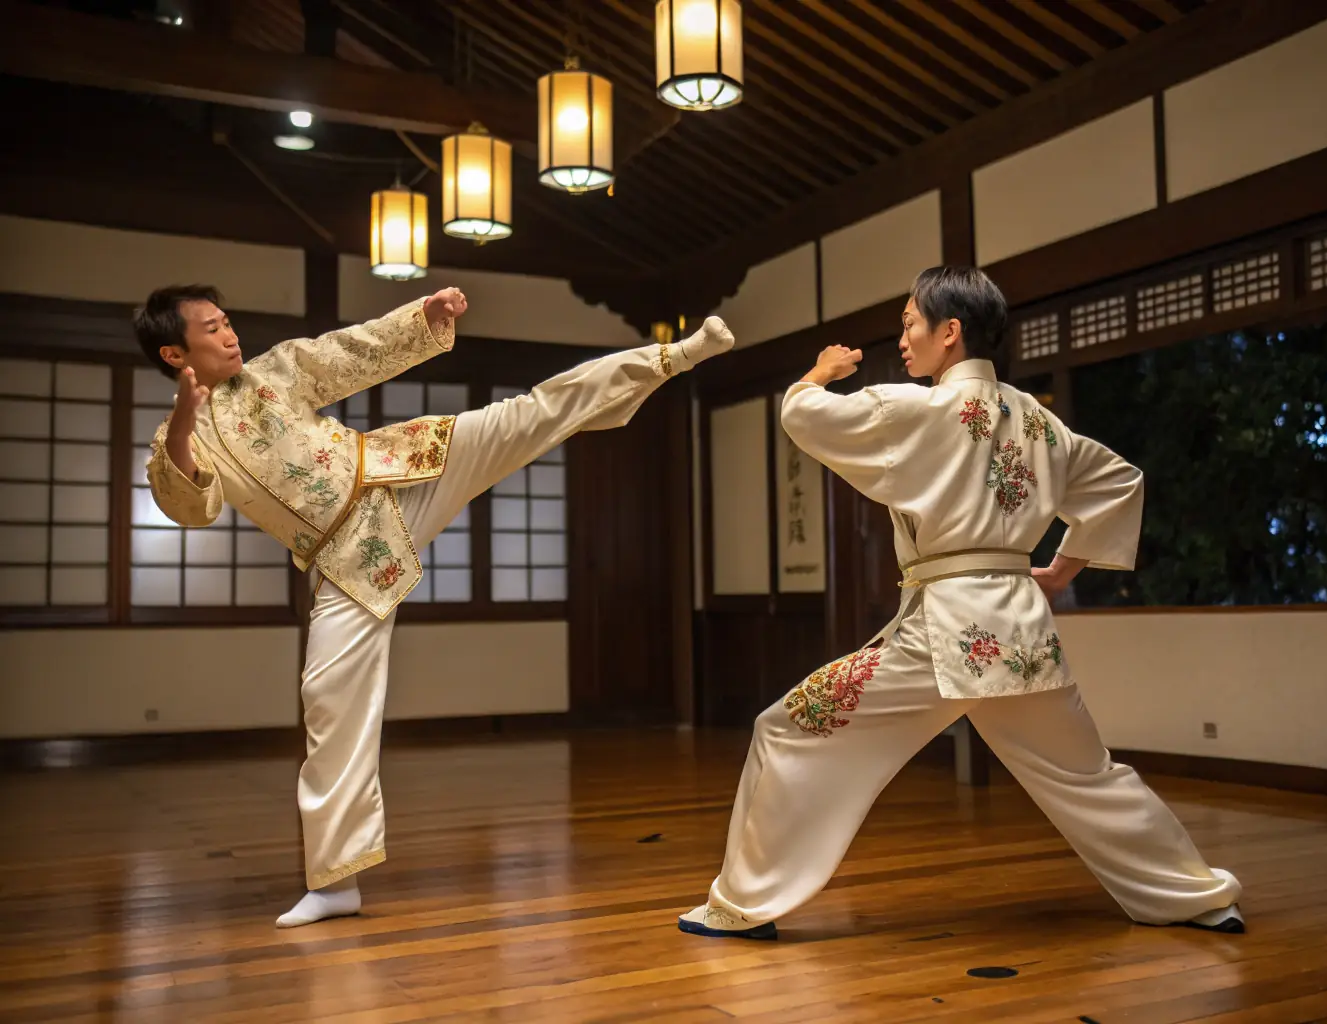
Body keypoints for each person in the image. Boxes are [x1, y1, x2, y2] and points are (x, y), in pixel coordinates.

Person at [134, 284, 734, 927]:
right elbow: (189, 506)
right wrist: (186, 427)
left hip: (398, 470)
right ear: (176, 351)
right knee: (328, 701)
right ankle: (337, 882)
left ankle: (671, 357)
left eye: (228, 322)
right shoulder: (178, 437)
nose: (230, 335)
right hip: (348, 557)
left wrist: (423, 317)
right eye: (212, 328)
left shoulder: (275, 371)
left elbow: (351, 351)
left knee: (529, 413)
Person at [679, 266, 1243, 940]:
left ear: (950, 332)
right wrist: (1061, 570)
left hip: (945, 630)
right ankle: (1197, 897)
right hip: (1023, 634)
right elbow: (1118, 481)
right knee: (1087, 776)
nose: (904, 341)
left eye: (910, 325)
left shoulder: (914, 407)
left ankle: (742, 904)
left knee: (787, 728)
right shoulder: (1036, 419)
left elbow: (802, 417)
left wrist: (818, 374)